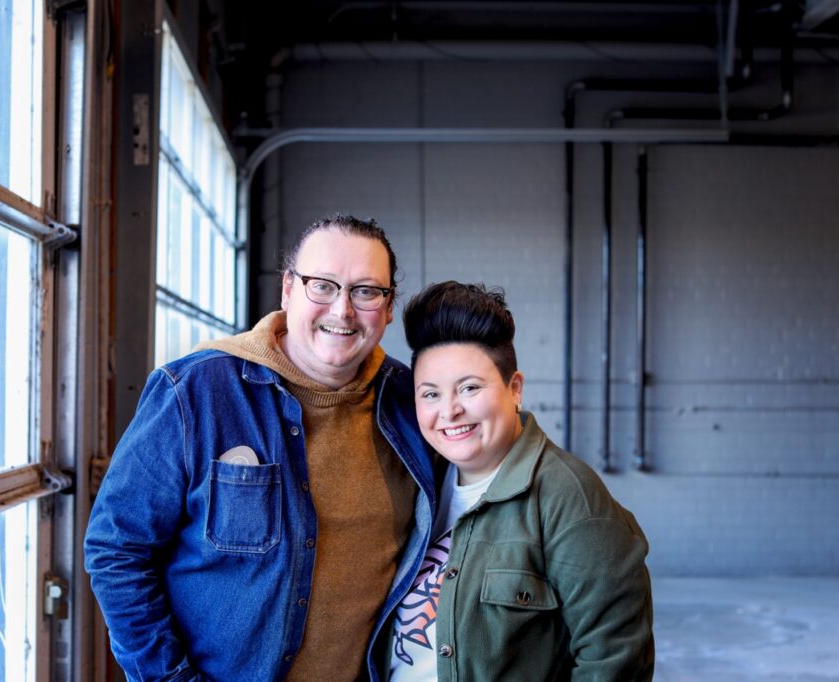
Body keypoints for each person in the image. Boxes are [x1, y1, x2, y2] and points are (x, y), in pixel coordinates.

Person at [85, 215, 437, 682]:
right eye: (323, 286)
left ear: (389, 307)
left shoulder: (411, 404)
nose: (343, 310)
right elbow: (117, 549)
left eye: (366, 291)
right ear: (288, 289)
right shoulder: (195, 392)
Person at [378, 281, 654, 681]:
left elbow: (615, 662)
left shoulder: (571, 501)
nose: (450, 411)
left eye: (469, 388)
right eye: (430, 394)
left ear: (515, 389)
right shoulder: (417, 484)